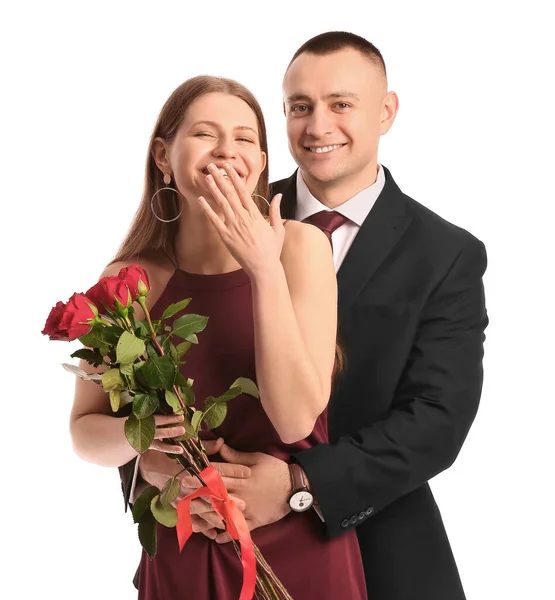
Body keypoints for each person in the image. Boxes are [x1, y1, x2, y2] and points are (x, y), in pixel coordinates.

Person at [121, 32, 489, 600]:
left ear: (386, 111)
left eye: (341, 104)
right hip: (212, 548)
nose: (318, 127)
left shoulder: (445, 254)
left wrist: (301, 484)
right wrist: (161, 471)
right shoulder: (218, 211)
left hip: (382, 543)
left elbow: (438, 420)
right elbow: (149, 378)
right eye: (299, 107)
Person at [70, 74, 368, 599]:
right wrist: (149, 448)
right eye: (205, 134)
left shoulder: (300, 250)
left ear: (261, 159)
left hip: (297, 545)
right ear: (164, 155)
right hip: (184, 544)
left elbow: (297, 418)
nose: (227, 150)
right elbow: (85, 432)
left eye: (246, 138)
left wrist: (263, 269)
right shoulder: (128, 277)